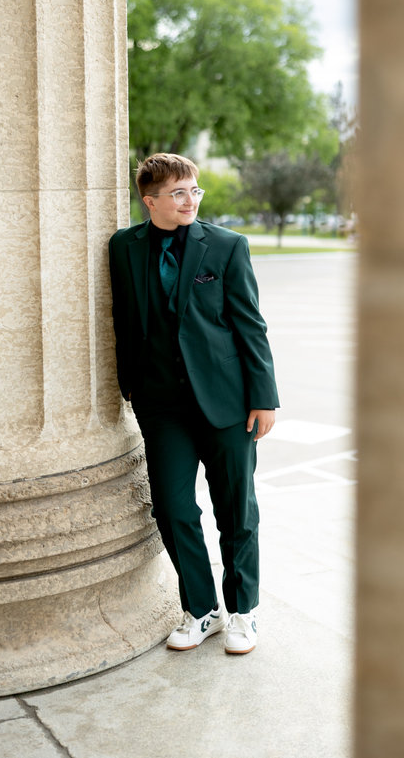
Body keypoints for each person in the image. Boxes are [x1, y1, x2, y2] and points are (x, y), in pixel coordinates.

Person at [109, 153, 279, 654]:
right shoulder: (123, 247)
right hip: (161, 405)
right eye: (178, 193)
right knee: (173, 508)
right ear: (150, 201)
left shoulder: (227, 246)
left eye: (194, 190)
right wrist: (129, 383)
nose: (190, 200)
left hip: (227, 401)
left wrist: (263, 397)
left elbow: (250, 323)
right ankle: (202, 610)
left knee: (237, 511)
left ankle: (243, 611)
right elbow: (123, 318)